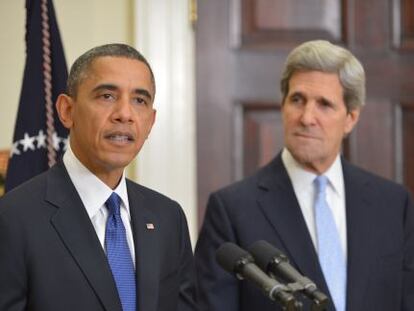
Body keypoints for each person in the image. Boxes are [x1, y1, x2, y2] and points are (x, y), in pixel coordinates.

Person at [195, 40, 414, 311]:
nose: (307, 117)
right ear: (283, 105)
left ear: (351, 118)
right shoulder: (232, 209)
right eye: (297, 100)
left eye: (324, 104)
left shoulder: (393, 204)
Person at [0, 44, 197, 311]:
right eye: (106, 96)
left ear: (150, 121)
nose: (125, 114)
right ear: (67, 110)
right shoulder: (13, 218)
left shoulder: (168, 217)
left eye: (139, 100)